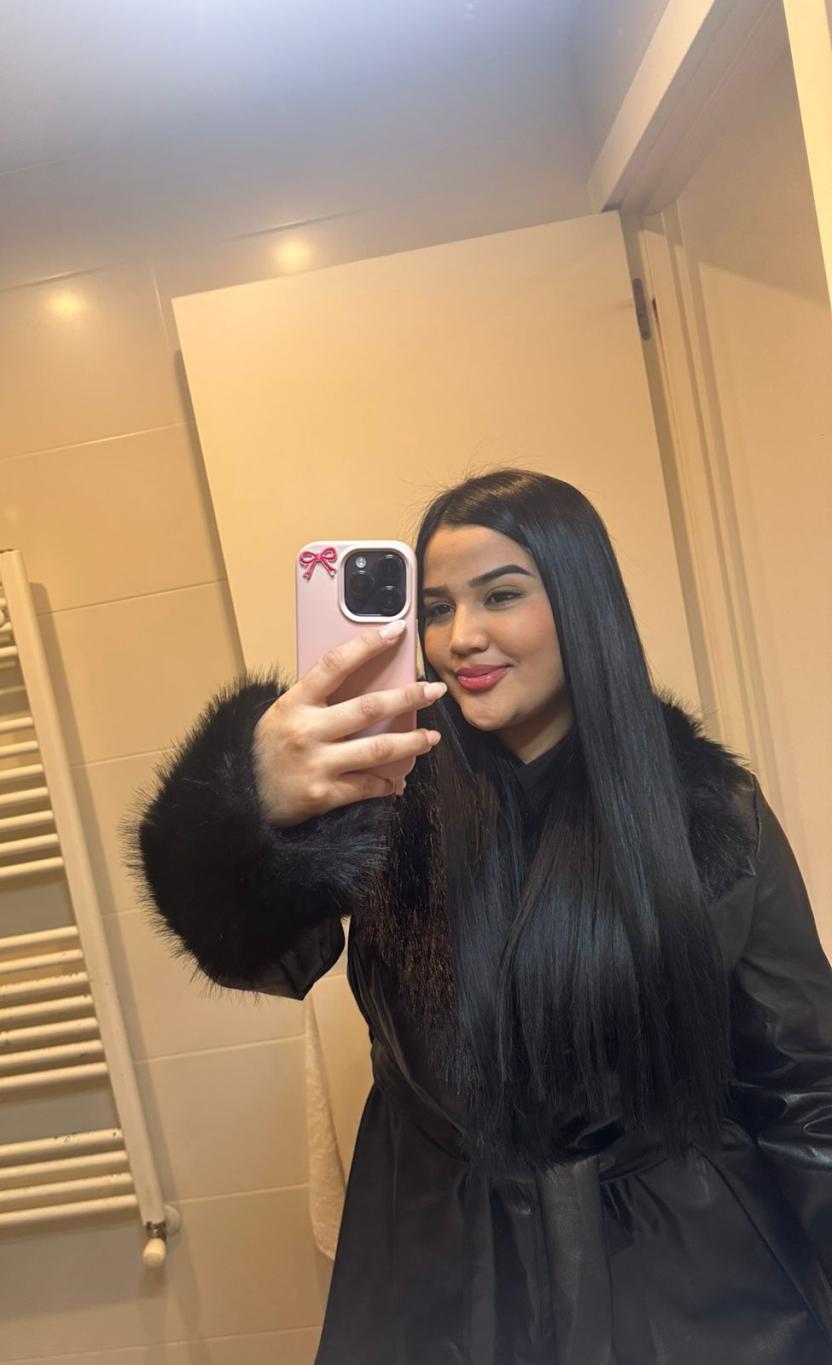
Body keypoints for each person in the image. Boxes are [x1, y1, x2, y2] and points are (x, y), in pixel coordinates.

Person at [120, 467, 832, 1364]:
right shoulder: (385, 795)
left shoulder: (708, 813)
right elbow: (252, 954)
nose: (461, 637)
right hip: (442, 1276)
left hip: (686, 1278)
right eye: (436, 607)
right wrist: (254, 806)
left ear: (580, 601)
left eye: (500, 595)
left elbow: (805, 1086)